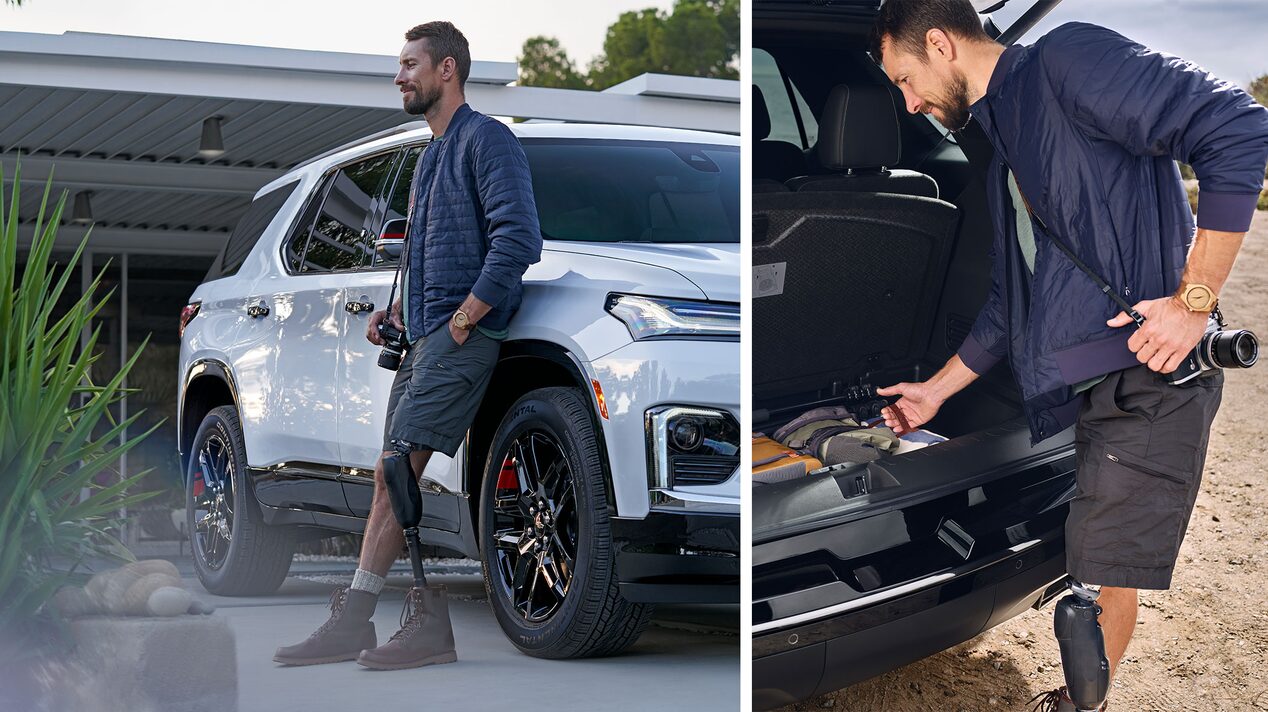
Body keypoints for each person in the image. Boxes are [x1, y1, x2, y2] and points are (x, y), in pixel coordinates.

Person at [868, 1, 1268, 709]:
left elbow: (1238, 124)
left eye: (904, 79)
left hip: (1149, 379)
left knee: (1090, 580)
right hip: (1080, 383)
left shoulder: (1066, 59)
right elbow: (1007, 303)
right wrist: (936, 390)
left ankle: (1084, 702)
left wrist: (1192, 302)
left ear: (938, 43)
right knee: (1098, 564)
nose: (908, 103)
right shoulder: (1002, 150)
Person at [273, 20, 542, 670]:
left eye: (409, 64)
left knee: (400, 473)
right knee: (385, 476)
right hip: (425, 336)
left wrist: (464, 318)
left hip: (460, 337)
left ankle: (425, 624)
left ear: (445, 69)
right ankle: (358, 618)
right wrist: (398, 309)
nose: (400, 77)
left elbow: (519, 238)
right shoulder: (428, 158)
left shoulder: (488, 140)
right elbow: (430, 255)